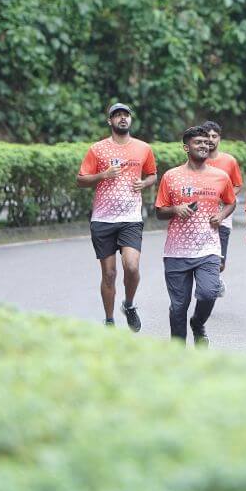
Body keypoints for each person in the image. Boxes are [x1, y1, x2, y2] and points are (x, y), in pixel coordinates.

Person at [76, 103, 158, 331]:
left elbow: (152, 174)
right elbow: (81, 180)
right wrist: (103, 174)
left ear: (130, 119)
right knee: (109, 273)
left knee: (131, 267)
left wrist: (145, 183)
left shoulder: (143, 148)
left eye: (126, 115)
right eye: (117, 115)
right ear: (109, 121)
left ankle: (129, 305)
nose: (122, 118)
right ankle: (110, 320)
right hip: (103, 219)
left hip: (131, 218)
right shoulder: (97, 149)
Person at [154, 126, 236, 346]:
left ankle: (198, 323)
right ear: (186, 147)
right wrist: (175, 209)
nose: (204, 145)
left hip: (208, 248)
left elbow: (230, 202)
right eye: (198, 142)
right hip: (176, 252)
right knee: (178, 307)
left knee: (209, 293)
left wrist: (221, 215)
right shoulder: (171, 176)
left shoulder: (220, 176)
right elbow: (159, 211)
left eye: (206, 142)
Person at [202, 121, 243, 283]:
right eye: (207, 136)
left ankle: (214, 280)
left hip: (224, 213)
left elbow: (237, 185)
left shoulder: (229, 161)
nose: (211, 139)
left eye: (214, 136)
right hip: (201, 214)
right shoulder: (197, 160)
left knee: (220, 262)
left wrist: (225, 197)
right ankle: (208, 284)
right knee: (202, 255)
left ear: (219, 138)